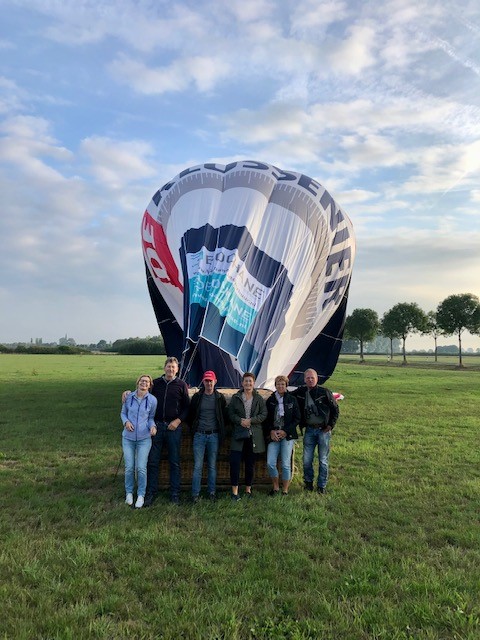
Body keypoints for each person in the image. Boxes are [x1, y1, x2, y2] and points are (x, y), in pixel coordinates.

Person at [122, 357, 190, 505]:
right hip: (156, 426)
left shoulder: (181, 385)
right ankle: (151, 492)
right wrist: (127, 393)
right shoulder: (156, 384)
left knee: (174, 461)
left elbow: (187, 407)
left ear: (177, 369)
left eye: (173, 367)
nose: (170, 369)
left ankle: (175, 493)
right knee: (152, 461)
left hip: (173, 427)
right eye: (168, 366)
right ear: (164, 368)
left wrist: (178, 421)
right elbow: (142, 392)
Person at [291, 368, 339, 494]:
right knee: (307, 460)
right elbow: (287, 396)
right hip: (309, 430)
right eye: (308, 378)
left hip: (323, 431)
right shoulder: (301, 392)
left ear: (317, 379)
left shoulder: (325, 392)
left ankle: (321, 486)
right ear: (304, 379)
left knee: (323, 460)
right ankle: (308, 483)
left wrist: (330, 425)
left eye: (312, 378)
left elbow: (335, 409)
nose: (310, 380)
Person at [187, 370, 229, 503]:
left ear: (215, 381)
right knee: (198, 466)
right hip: (199, 435)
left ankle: (212, 492)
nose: (209, 383)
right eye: (206, 381)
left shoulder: (219, 398)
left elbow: (224, 416)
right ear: (203, 382)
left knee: (212, 465)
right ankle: (195, 494)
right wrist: (194, 428)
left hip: (213, 435)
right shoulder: (197, 397)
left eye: (211, 381)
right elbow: (191, 415)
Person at [228, 372, 267, 501]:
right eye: (246, 381)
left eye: (250, 381)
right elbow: (230, 413)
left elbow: (264, 414)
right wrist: (240, 421)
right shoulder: (236, 397)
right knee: (235, 462)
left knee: (250, 464)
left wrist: (251, 420)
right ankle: (234, 492)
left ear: (254, 383)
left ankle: (248, 490)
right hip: (238, 434)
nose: (248, 383)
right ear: (242, 383)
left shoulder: (259, 398)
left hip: (253, 435)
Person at [120, 374, 157, 508]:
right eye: (142, 381)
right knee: (129, 467)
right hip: (128, 438)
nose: (144, 383)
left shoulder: (152, 400)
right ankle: (129, 493)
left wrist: (153, 427)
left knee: (141, 468)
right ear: (138, 382)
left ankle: (141, 494)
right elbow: (123, 413)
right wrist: (126, 422)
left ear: (150, 385)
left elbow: (151, 418)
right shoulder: (128, 397)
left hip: (144, 439)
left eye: (147, 382)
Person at [264, 375, 301, 496]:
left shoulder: (292, 399)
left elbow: (297, 418)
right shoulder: (270, 400)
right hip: (274, 434)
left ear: (286, 386)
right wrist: (271, 431)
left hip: (287, 434)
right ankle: (275, 487)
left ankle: (285, 489)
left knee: (285, 464)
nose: (280, 386)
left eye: (283, 384)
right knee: (270, 462)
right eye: (278, 384)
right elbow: (266, 419)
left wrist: (285, 431)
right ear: (275, 386)